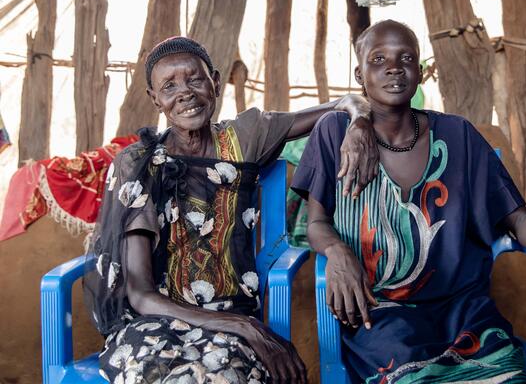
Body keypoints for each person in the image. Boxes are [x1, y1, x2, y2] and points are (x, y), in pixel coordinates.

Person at [291, 20, 526, 383]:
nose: (394, 68)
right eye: (378, 59)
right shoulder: (334, 133)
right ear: (359, 73)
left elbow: (518, 219)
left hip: (464, 311)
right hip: (380, 314)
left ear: (420, 72)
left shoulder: (459, 136)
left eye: (406, 58)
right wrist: (336, 251)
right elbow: (317, 223)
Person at [83, 36, 379, 384]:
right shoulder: (139, 163)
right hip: (153, 326)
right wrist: (245, 326)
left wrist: (359, 122)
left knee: (226, 374)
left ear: (216, 82)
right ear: (154, 99)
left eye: (195, 79)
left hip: (231, 321)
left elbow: (346, 102)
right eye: (169, 86)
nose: (185, 93)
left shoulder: (245, 136)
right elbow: (141, 295)